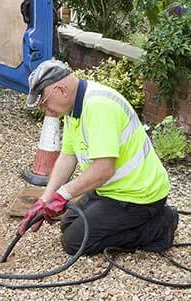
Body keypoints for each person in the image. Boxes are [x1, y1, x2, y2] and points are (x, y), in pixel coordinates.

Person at [18, 60, 178, 255]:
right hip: (111, 189)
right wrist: (45, 199)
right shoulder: (74, 108)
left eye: (43, 102)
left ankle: (161, 226)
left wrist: (64, 194)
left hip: (139, 195)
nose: (44, 110)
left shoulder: (99, 106)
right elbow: (67, 157)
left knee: (74, 242)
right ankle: (142, 222)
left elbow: (104, 169)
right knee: (68, 224)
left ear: (61, 89)